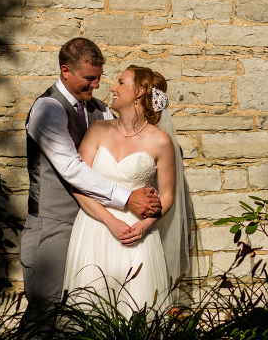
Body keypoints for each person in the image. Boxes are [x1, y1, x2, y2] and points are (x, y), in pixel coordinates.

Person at [20, 39, 161, 336]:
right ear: (65, 71)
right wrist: (127, 199)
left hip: (96, 229)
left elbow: (125, 148)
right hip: (54, 225)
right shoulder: (48, 109)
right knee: (46, 314)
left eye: (99, 76)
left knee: (93, 316)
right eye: (88, 78)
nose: (96, 85)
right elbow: (72, 168)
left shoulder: (100, 110)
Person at [62, 65, 190, 317]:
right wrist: (110, 221)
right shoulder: (98, 130)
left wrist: (145, 225)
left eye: (121, 82)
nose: (112, 87)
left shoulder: (161, 142)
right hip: (93, 228)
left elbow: (167, 195)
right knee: (89, 309)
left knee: (136, 309)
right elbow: (77, 184)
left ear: (139, 92)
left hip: (136, 235)